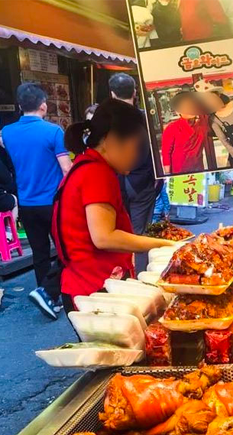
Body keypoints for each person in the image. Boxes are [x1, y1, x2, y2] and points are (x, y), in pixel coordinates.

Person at [53, 99, 176, 312]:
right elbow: (104, 237)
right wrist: (166, 246)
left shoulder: (86, 165)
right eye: (137, 146)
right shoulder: (96, 173)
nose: (138, 155)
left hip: (89, 282)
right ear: (111, 140)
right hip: (94, 288)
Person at [1, 83, 72, 320]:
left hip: (27, 203)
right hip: (53, 202)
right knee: (66, 249)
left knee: (39, 252)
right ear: (44, 105)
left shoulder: (7, 133)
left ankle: (47, 296)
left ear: (20, 106)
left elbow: (5, 145)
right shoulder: (53, 132)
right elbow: (65, 168)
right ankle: (50, 292)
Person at [110, 72, 161, 235]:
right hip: (142, 181)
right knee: (140, 232)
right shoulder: (145, 118)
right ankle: (140, 261)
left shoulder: (104, 119)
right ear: (134, 92)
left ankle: (124, 261)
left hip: (114, 181)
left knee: (118, 231)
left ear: (112, 94)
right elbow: (155, 149)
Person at [160, 92, 208, 174]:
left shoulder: (203, 122)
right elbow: (166, 153)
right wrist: (168, 175)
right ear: (178, 112)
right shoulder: (172, 128)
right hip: (179, 171)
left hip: (198, 168)